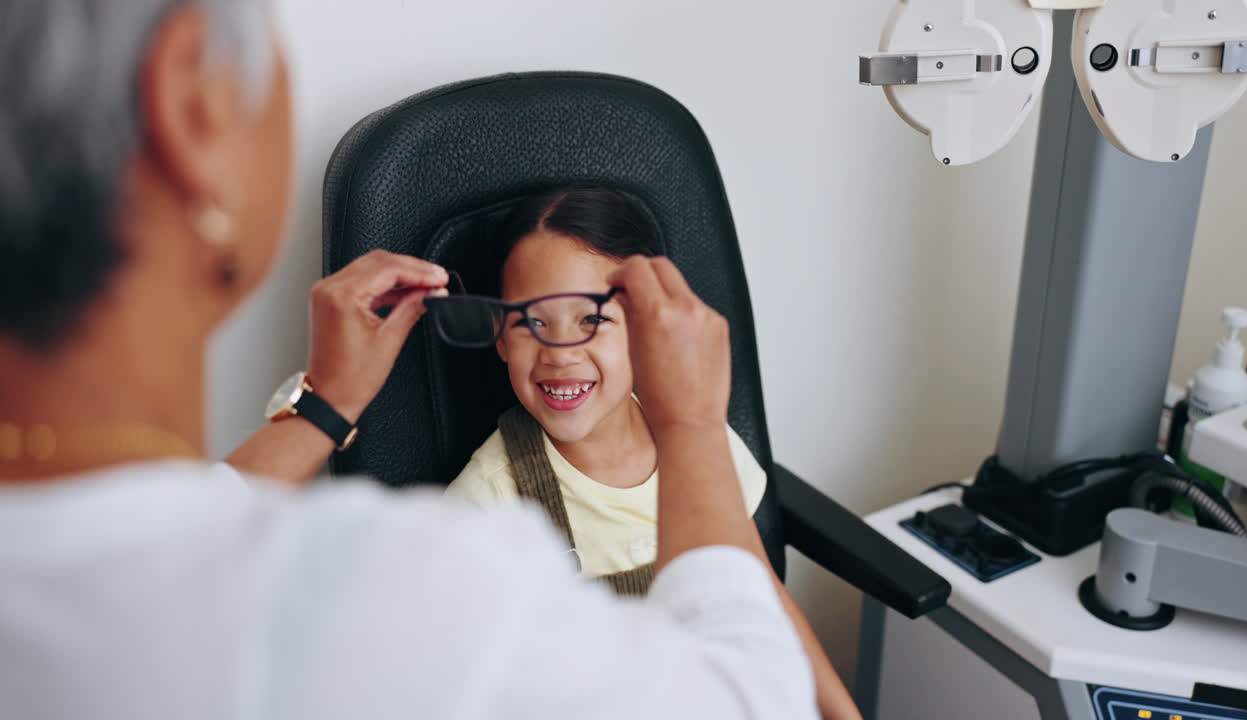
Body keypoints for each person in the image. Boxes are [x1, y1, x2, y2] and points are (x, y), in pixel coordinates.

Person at [0, 2, 818, 719]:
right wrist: (694, 424)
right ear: (192, 102)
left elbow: (165, 529)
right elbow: (751, 701)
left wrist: (325, 405)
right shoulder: (423, 588)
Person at [446, 187, 861, 719]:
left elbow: (762, 601)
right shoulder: (483, 510)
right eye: (532, 322)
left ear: (645, 326)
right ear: (500, 337)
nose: (559, 354)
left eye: (590, 320)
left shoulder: (700, 442)